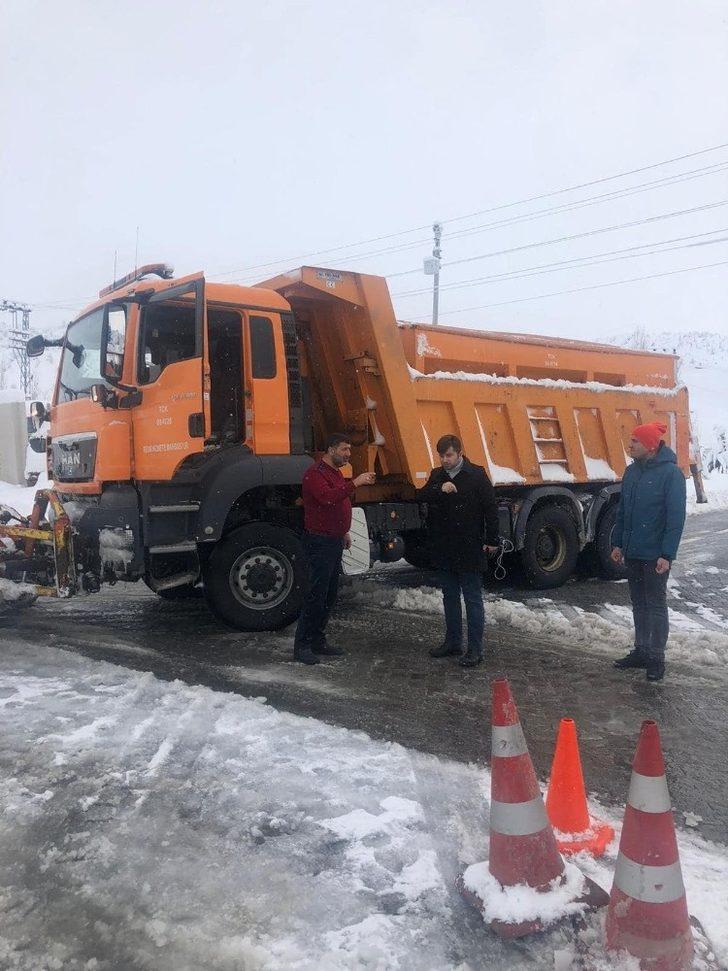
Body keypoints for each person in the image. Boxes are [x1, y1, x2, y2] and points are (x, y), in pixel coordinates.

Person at [611, 421, 686, 682]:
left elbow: (675, 518)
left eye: (635, 442)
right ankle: (641, 651)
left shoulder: (671, 474)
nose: (629, 445)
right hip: (633, 552)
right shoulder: (631, 473)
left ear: (651, 446)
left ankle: (656, 658)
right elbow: (623, 512)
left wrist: (667, 554)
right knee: (639, 604)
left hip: (655, 555)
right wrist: (618, 543)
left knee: (655, 605)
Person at [294, 433, 376, 665]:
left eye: (349, 450)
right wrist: (355, 483)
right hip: (319, 542)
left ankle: (318, 640)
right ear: (331, 450)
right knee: (316, 594)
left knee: (329, 595)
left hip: (333, 540)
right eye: (344, 449)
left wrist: (344, 531)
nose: (348, 454)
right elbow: (327, 498)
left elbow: (338, 504)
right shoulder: (315, 474)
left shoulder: (335, 473)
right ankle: (302, 646)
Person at [419, 434, 500, 667]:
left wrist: (492, 539)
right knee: (449, 597)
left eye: (449, 455)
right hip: (445, 546)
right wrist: (439, 488)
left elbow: (490, 508)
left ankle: (475, 649)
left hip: (469, 546)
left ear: (459, 454)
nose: (445, 460)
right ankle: (453, 642)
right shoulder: (437, 476)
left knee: (473, 599)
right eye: (442, 456)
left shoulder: (476, 474)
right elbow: (421, 496)